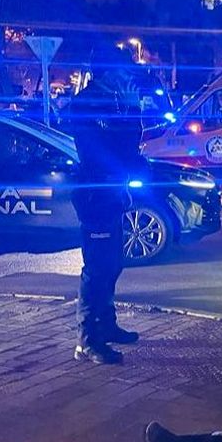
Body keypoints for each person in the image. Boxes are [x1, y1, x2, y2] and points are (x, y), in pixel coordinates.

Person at [68, 44, 147, 364]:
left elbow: (132, 142)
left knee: (113, 264)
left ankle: (107, 324)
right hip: (95, 195)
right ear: (106, 73)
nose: (126, 75)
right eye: (120, 70)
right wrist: (126, 111)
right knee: (97, 269)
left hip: (112, 194)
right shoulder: (85, 103)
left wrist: (132, 108)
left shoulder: (113, 101)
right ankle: (87, 339)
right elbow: (111, 150)